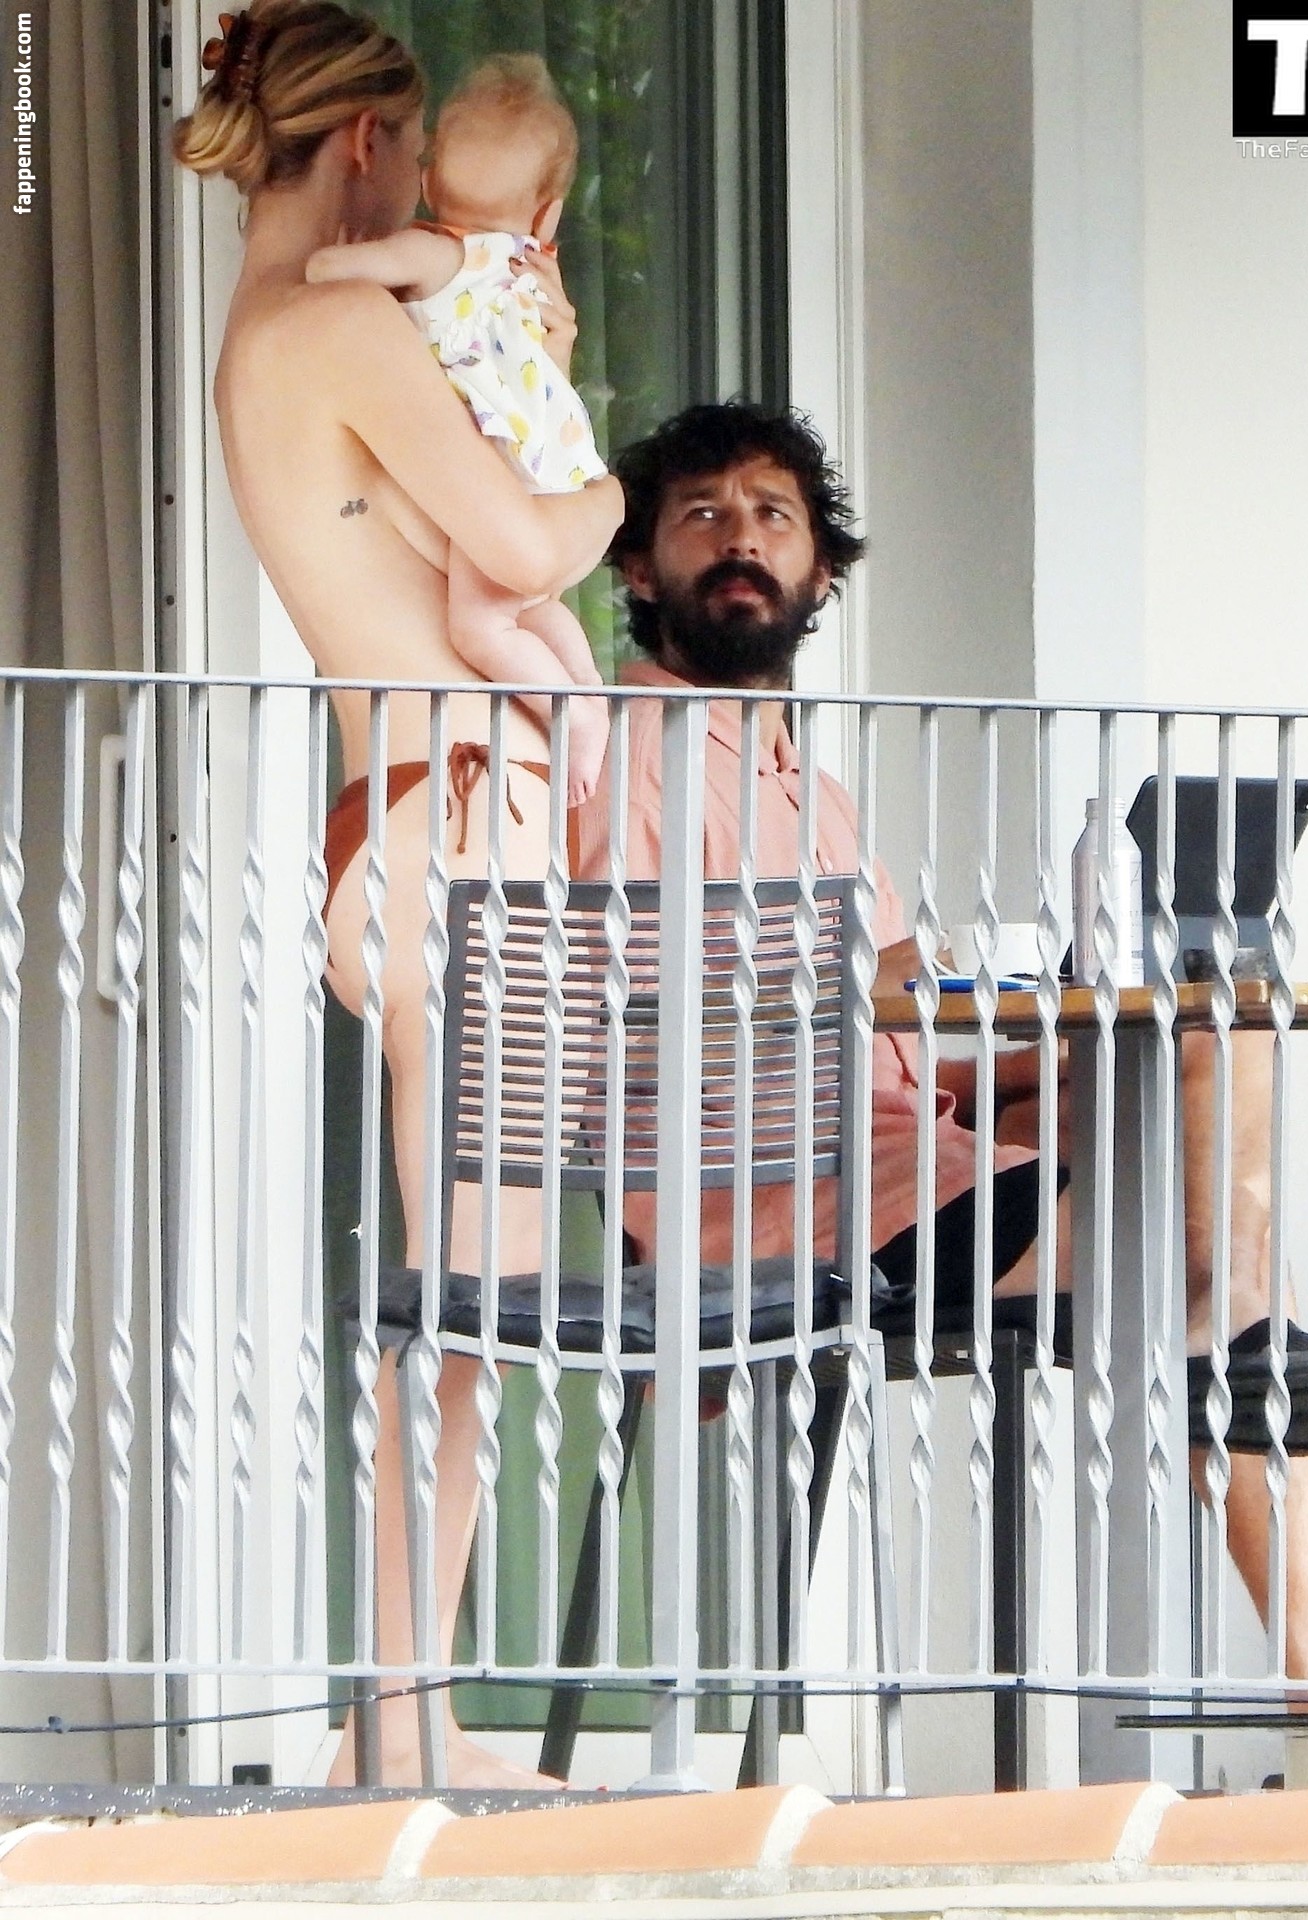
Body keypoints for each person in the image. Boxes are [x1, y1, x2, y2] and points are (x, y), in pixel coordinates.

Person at [574, 398, 1308, 1692]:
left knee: (1203, 1030)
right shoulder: (614, 758)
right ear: (636, 567)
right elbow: (635, 1015)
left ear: (821, 574)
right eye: (703, 514)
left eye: (773, 515)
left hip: (909, 1162)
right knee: (1181, 1266)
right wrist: (885, 979)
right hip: (781, 1198)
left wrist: (1046, 1015)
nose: (741, 538)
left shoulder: (816, 796)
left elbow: (901, 1059)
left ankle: (1235, 1352)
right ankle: (1291, 1538)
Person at [174, 1, 624, 1786]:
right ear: (367, 142)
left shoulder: (259, 338)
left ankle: (406, 1712)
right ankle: (401, 1721)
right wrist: (604, 489)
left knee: (464, 1305)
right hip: (460, 837)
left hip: (410, 823)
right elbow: (521, 542)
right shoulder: (341, 327)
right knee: (467, 1307)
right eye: (417, 150)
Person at [306, 52, 610, 805]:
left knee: (479, 629)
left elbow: (324, 274)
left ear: (428, 183)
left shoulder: (438, 251)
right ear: (547, 215)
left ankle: (577, 715)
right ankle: (586, 684)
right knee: (531, 606)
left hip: (496, 460)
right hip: (553, 455)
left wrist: (340, 247)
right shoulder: (531, 271)